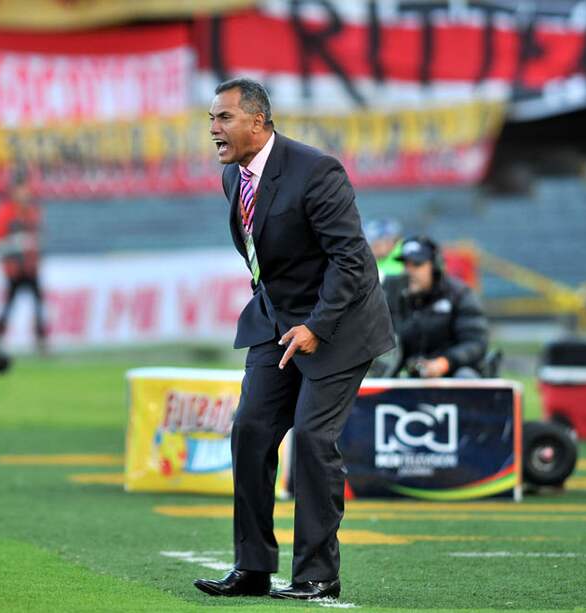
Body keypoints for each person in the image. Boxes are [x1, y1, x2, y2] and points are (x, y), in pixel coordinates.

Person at [194, 79, 395, 601]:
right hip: (277, 321)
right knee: (251, 430)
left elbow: (353, 261)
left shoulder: (317, 171)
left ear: (257, 122)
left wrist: (316, 325)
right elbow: (263, 254)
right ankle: (254, 567)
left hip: (341, 325)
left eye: (223, 118)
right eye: (211, 119)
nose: (213, 129)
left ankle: (317, 575)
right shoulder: (232, 178)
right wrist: (278, 314)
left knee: (311, 439)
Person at [386, 235, 488, 378]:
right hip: (410, 376)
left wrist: (444, 363)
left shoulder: (460, 294)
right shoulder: (396, 297)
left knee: (465, 376)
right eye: (406, 265)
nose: (409, 271)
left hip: (452, 375)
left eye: (416, 264)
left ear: (434, 266)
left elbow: (475, 344)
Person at [0, 176, 47, 353]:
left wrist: (35, 250)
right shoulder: (3, 212)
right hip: (13, 269)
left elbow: (40, 237)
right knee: (8, 306)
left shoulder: (33, 211)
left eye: (26, 190)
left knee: (38, 305)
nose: (24, 194)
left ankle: (41, 342)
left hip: (30, 268)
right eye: (21, 190)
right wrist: (17, 243)